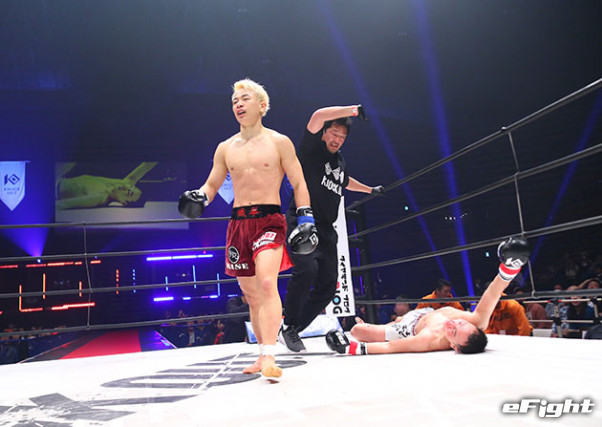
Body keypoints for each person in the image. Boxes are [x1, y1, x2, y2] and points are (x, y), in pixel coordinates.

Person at [178, 78, 315, 380]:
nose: (238, 104)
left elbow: (299, 182)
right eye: (234, 101)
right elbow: (212, 183)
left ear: (262, 106)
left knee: (266, 283)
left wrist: (306, 217)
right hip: (239, 223)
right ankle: (261, 353)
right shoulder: (226, 148)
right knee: (251, 294)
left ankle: (270, 354)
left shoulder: (279, 142)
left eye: (244, 99)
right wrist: (200, 197)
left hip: (270, 219)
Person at [279, 104, 384, 352]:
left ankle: (291, 329)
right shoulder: (311, 150)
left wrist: (370, 190)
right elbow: (317, 115)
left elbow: (344, 181)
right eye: (334, 133)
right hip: (304, 221)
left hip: (327, 230)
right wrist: (353, 110)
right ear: (324, 133)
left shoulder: (340, 160)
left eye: (342, 137)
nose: (337, 140)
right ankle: (289, 324)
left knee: (328, 286)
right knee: (307, 269)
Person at [326, 236, 530, 355]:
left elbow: (391, 347)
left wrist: (352, 349)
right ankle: (393, 321)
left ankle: (380, 325)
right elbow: (492, 295)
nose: (454, 323)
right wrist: (510, 268)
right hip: (424, 313)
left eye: (454, 331)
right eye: (461, 323)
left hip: (409, 328)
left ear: (453, 346)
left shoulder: (429, 340)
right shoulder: (475, 322)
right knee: (480, 316)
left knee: (358, 330)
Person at [55, 162, 157, 209]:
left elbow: (63, 204)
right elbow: (146, 166)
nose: (126, 187)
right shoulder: (121, 185)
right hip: (59, 178)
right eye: (131, 187)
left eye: (129, 193)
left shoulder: (98, 197)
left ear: (123, 202)